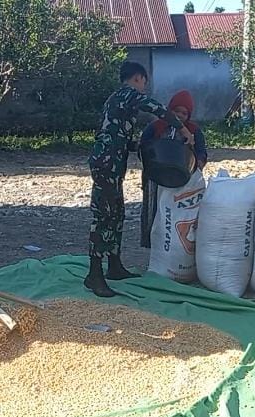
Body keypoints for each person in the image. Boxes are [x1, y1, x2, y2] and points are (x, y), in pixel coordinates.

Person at [85, 61, 194, 298]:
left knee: (117, 214)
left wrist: (144, 147)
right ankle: (94, 274)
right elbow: (156, 108)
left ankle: (114, 265)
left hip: (112, 161)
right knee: (104, 216)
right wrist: (182, 129)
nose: (144, 86)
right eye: (144, 81)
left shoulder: (116, 100)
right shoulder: (128, 94)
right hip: (106, 164)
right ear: (138, 78)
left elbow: (116, 134)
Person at [138, 90, 208, 249]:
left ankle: (175, 241)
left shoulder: (193, 130)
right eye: (176, 111)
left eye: (184, 113)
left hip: (182, 177)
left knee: (176, 210)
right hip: (155, 178)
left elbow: (201, 152)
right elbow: (143, 146)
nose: (180, 115)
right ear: (169, 111)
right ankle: (152, 242)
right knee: (154, 209)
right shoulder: (156, 127)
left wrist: (198, 164)